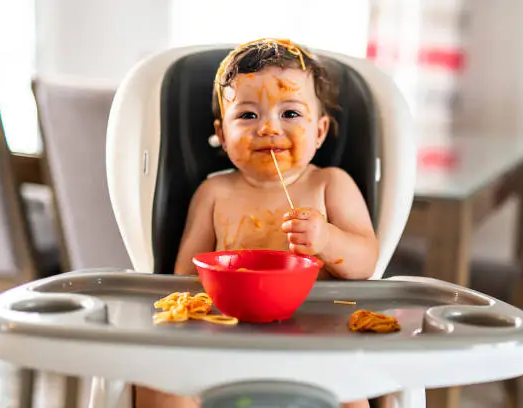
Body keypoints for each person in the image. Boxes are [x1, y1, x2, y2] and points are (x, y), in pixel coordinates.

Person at [135, 38, 379, 408]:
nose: (267, 128)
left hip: (316, 345)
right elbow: (184, 278)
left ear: (320, 130)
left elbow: (365, 263)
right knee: (157, 389)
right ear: (221, 132)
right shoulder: (213, 192)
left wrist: (326, 240)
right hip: (223, 343)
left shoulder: (330, 185)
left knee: (352, 400)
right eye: (247, 115)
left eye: (291, 113)